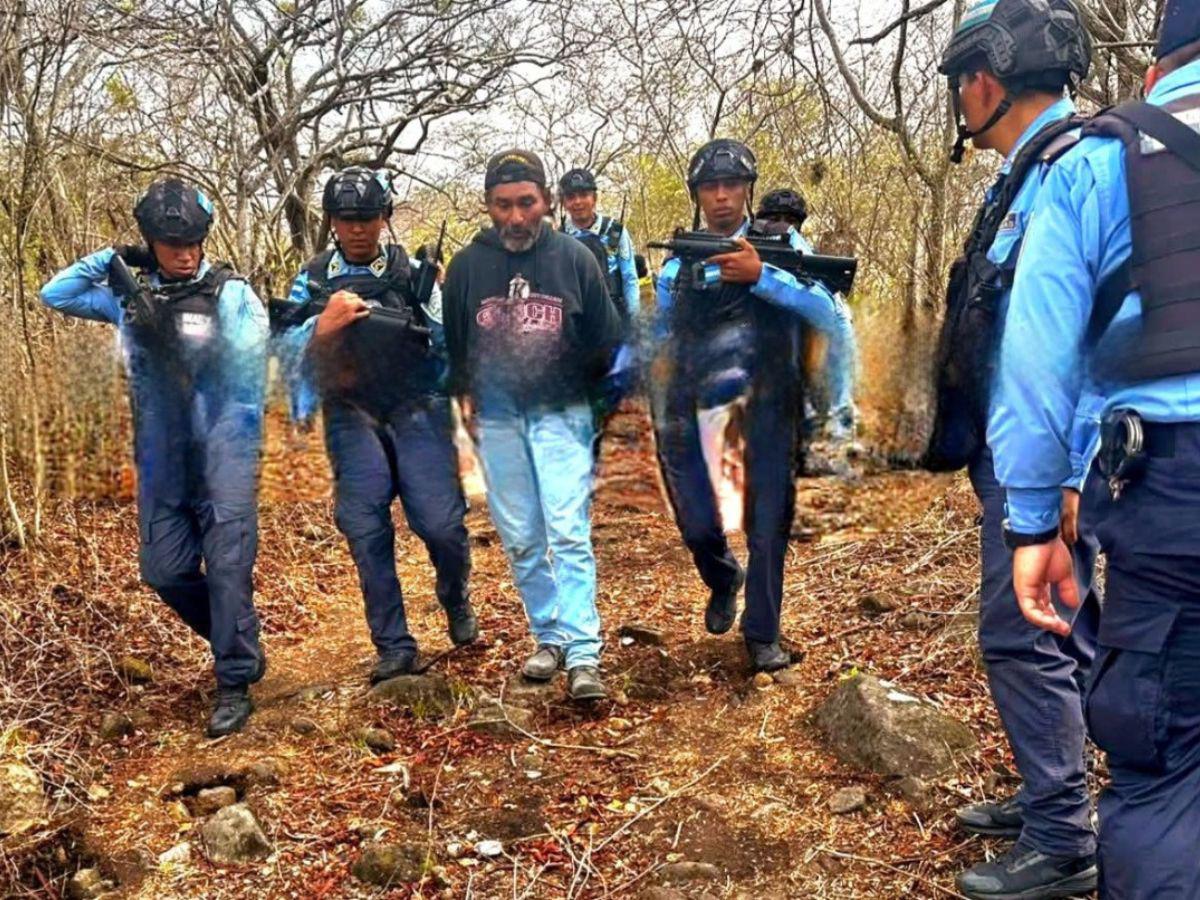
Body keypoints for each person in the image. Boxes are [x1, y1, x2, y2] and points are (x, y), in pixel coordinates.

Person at [991, 2, 1200, 895]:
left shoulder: (1099, 162)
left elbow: (1038, 366)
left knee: (1166, 773)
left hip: (1173, 499)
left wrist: (1034, 524)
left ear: (1156, 70)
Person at [928, 3, 1104, 897]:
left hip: (1051, 461)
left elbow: (1094, 334)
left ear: (985, 82)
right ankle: (1052, 787)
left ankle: (1064, 837)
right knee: (1059, 627)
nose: (962, 98)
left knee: (1021, 634)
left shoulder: (1076, 169)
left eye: (963, 81)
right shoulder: (1025, 173)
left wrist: (1069, 473)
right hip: (1013, 450)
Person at [40, 179, 268, 737]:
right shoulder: (127, 300)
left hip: (222, 453)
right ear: (150, 243)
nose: (184, 253)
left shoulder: (230, 293)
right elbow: (56, 293)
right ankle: (237, 640)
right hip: (161, 458)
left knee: (228, 571)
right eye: (170, 244)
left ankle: (234, 683)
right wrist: (113, 259)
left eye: (191, 242)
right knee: (164, 570)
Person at [652, 138, 856, 672]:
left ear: (748, 190)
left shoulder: (784, 248)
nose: (721, 196)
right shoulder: (677, 264)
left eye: (732, 185)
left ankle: (762, 634)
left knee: (767, 526)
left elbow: (831, 316)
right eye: (710, 187)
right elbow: (665, 334)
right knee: (698, 525)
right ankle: (724, 578)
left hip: (770, 406)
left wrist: (761, 276)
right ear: (697, 195)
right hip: (699, 408)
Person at [276, 166, 475, 686]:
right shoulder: (312, 279)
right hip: (350, 412)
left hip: (416, 405)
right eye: (346, 219)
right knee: (364, 527)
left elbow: (449, 342)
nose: (357, 228)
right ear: (332, 222)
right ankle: (394, 645)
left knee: (440, 524)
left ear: (385, 217)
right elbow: (286, 350)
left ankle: (454, 592)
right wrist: (322, 326)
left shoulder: (416, 274)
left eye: (367, 217)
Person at [441, 149, 622, 701]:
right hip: (498, 419)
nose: (516, 216)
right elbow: (457, 349)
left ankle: (584, 653)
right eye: (503, 205)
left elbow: (607, 342)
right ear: (488, 205)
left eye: (526, 202)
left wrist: (597, 411)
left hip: (562, 414)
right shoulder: (466, 268)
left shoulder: (575, 258)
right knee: (521, 537)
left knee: (567, 530)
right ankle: (550, 635)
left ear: (546, 200)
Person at [755, 187, 859, 470]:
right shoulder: (753, 242)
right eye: (774, 218)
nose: (781, 225)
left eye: (788, 220)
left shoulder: (799, 248)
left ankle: (836, 434)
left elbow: (829, 311)